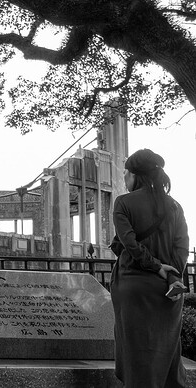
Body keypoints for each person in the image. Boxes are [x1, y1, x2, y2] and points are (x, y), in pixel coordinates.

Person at [111, 148, 190, 388]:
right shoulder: (175, 206)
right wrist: (169, 273)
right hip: (169, 290)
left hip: (134, 286)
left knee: (136, 355)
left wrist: (155, 266)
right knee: (167, 354)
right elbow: (182, 248)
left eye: (125, 173)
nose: (124, 179)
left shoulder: (123, 202)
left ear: (135, 175)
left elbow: (130, 245)